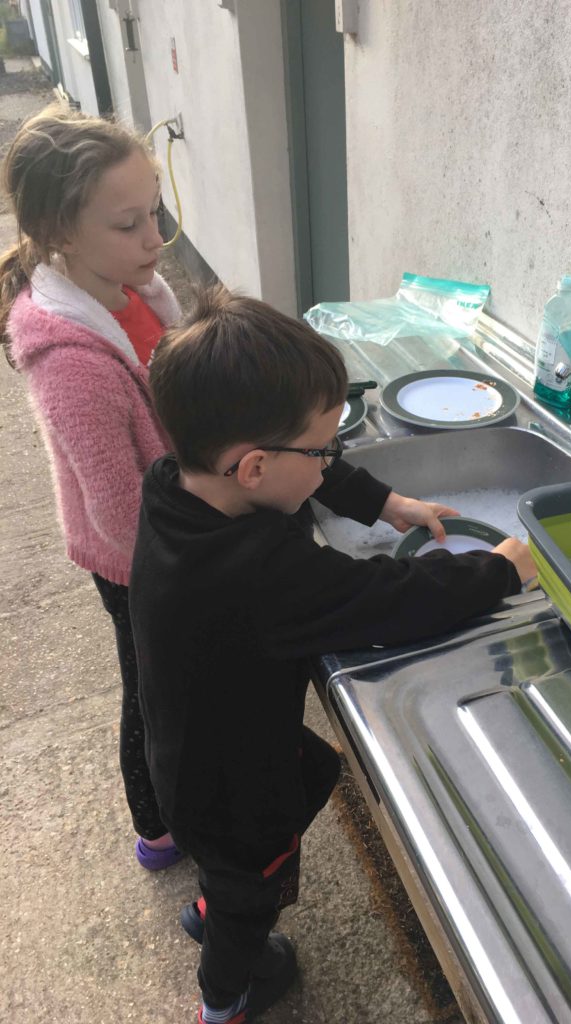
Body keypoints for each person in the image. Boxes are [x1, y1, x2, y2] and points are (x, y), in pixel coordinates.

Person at [130, 286, 538, 1023]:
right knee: (252, 891)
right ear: (252, 467)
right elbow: (390, 597)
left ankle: (211, 905)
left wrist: (390, 504)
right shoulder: (256, 575)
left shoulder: (177, 485)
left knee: (231, 878)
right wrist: (504, 568)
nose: (331, 460)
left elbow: (314, 474)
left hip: (189, 752)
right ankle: (224, 994)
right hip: (231, 791)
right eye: (323, 447)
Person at [0, 105, 185, 870]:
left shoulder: (131, 287)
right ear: (62, 233)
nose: (155, 239)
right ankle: (157, 828)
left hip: (177, 528)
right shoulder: (69, 363)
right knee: (147, 690)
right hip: (137, 557)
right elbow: (120, 511)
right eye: (128, 223)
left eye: (156, 213)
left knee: (168, 681)